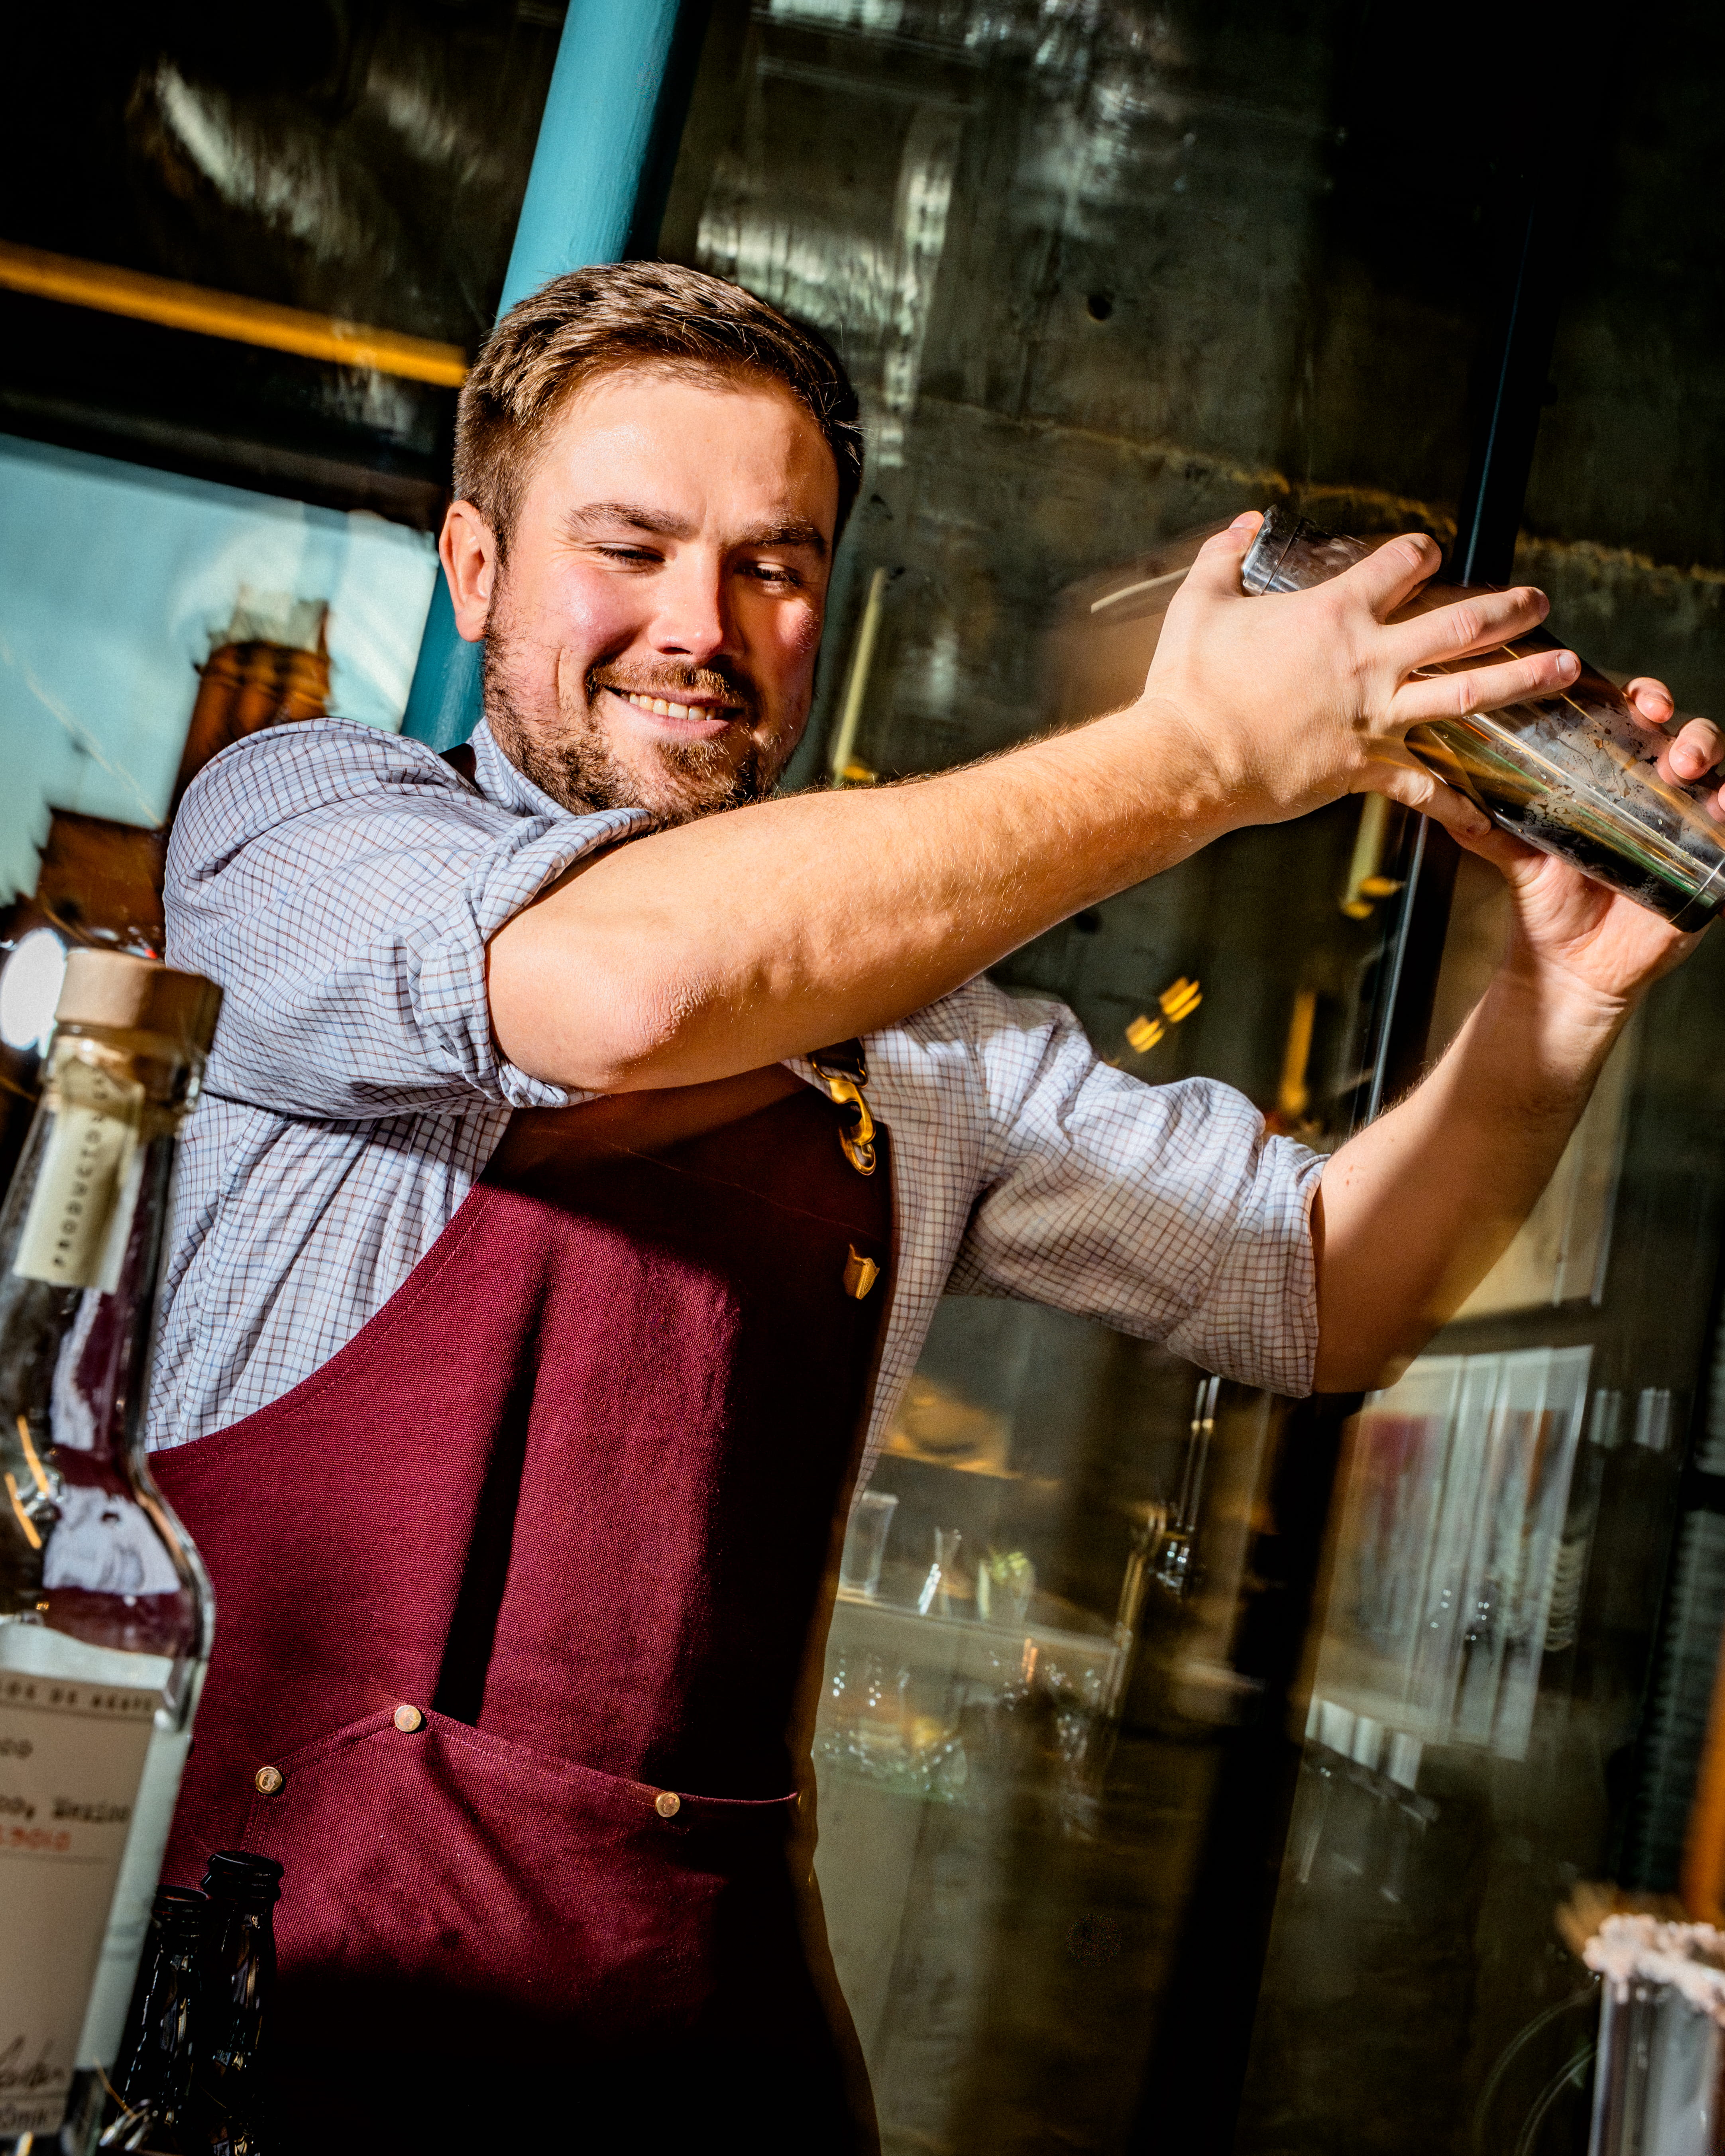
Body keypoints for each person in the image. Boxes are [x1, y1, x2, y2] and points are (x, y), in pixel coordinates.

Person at [145, 262, 1717, 2149]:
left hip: (690, 2060)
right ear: (474, 571)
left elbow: (1318, 1288)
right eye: (626, 548)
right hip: (262, 2029)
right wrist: (1195, 759)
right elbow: (618, 987)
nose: (697, 628)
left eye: (772, 565)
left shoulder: (927, 1051)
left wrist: (1554, 1002)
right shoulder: (302, 831)